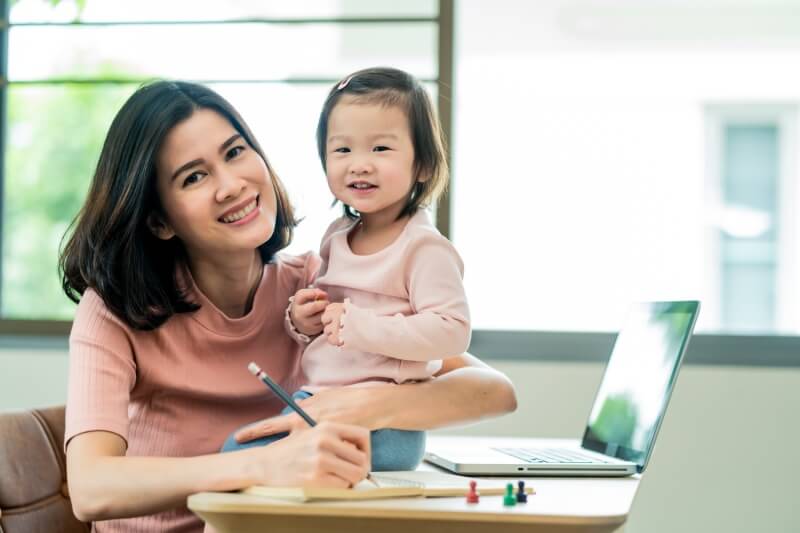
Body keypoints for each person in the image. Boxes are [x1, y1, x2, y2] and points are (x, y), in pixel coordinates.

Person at [60, 80, 517, 532]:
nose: (231, 185)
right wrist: (263, 465)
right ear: (159, 220)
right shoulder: (114, 310)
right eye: (194, 176)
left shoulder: (315, 285)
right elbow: (91, 488)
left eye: (235, 152)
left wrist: (361, 408)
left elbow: (494, 390)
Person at [222, 67, 470, 472]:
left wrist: (359, 326)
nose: (359, 165)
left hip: (387, 423)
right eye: (342, 150)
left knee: (242, 458)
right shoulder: (337, 237)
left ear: (423, 164)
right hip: (318, 401)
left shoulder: (423, 248)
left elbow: (452, 332)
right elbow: (329, 330)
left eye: (380, 149)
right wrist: (304, 320)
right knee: (236, 453)